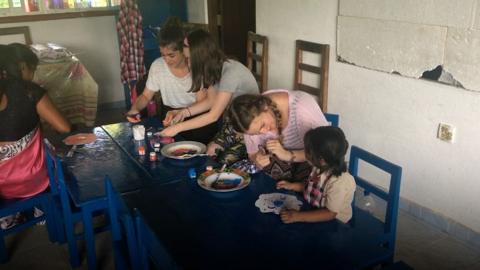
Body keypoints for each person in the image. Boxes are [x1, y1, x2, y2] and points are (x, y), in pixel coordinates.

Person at [0, 45, 71, 228]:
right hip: (29, 181)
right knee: (60, 155)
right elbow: (64, 128)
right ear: (22, 66)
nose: (33, 75)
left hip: (2, 186)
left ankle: (11, 213)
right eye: (33, 69)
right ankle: (43, 206)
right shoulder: (29, 91)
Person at [126, 18, 217, 144]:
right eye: (162, 55)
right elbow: (146, 96)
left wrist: (181, 114)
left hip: (195, 115)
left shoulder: (196, 66)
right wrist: (135, 108)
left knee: (194, 147)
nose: (166, 60)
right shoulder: (158, 66)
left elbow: (202, 102)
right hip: (169, 115)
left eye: (171, 55)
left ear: (184, 51)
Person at [158, 29, 259, 142]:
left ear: (200, 57)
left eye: (189, 59)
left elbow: (213, 115)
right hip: (234, 121)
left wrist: (178, 128)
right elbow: (211, 101)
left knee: (217, 156)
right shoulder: (214, 69)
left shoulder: (230, 73)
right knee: (210, 151)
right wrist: (182, 112)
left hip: (251, 126)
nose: (188, 63)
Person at [226, 89, 329, 181]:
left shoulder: (302, 106)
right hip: (284, 166)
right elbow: (253, 154)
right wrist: (258, 158)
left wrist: (287, 155)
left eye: (263, 125)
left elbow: (325, 150)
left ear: (264, 107)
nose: (264, 132)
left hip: (312, 160)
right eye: (256, 133)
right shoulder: (247, 120)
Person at [276, 126, 356, 224]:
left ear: (321, 160)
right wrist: (292, 186)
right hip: (312, 211)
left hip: (334, 224)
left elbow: (330, 213)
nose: (304, 153)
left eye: (308, 152)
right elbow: (310, 188)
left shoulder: (339, 183)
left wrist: (297, 216)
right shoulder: (318, 167)